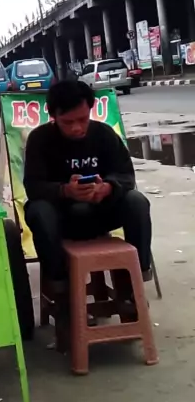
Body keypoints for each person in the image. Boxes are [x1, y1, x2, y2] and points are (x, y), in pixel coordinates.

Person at [23, 80, 152, 297]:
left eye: (83, 119)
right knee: (38, 211)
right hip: (62, 220)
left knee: (137, 201)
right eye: (68, 122)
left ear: (90, 110)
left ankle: (135, 278)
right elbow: (33, 186)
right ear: (53, 116)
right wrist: (65, 190)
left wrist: (108, 187)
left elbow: (126, 175)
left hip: (100, 214)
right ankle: (60, 287)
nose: (77, 128)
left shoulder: (104, 134)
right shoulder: (40, 140)